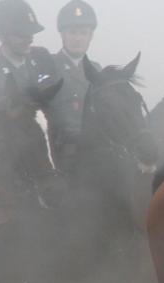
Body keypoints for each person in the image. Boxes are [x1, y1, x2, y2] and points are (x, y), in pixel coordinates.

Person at [44, 0, 101, 166]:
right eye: (72, 32)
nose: (78, 38)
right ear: (62, 35)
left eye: (83, 33)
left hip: (93, 155)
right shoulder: (48, 66)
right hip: (59, 156)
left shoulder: (97, 71)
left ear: (90, 36)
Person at [0, 0, 56, 107]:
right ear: (2, 36)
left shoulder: (42, 57)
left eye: (31, 33)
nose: (29, 40)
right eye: (22, 35)